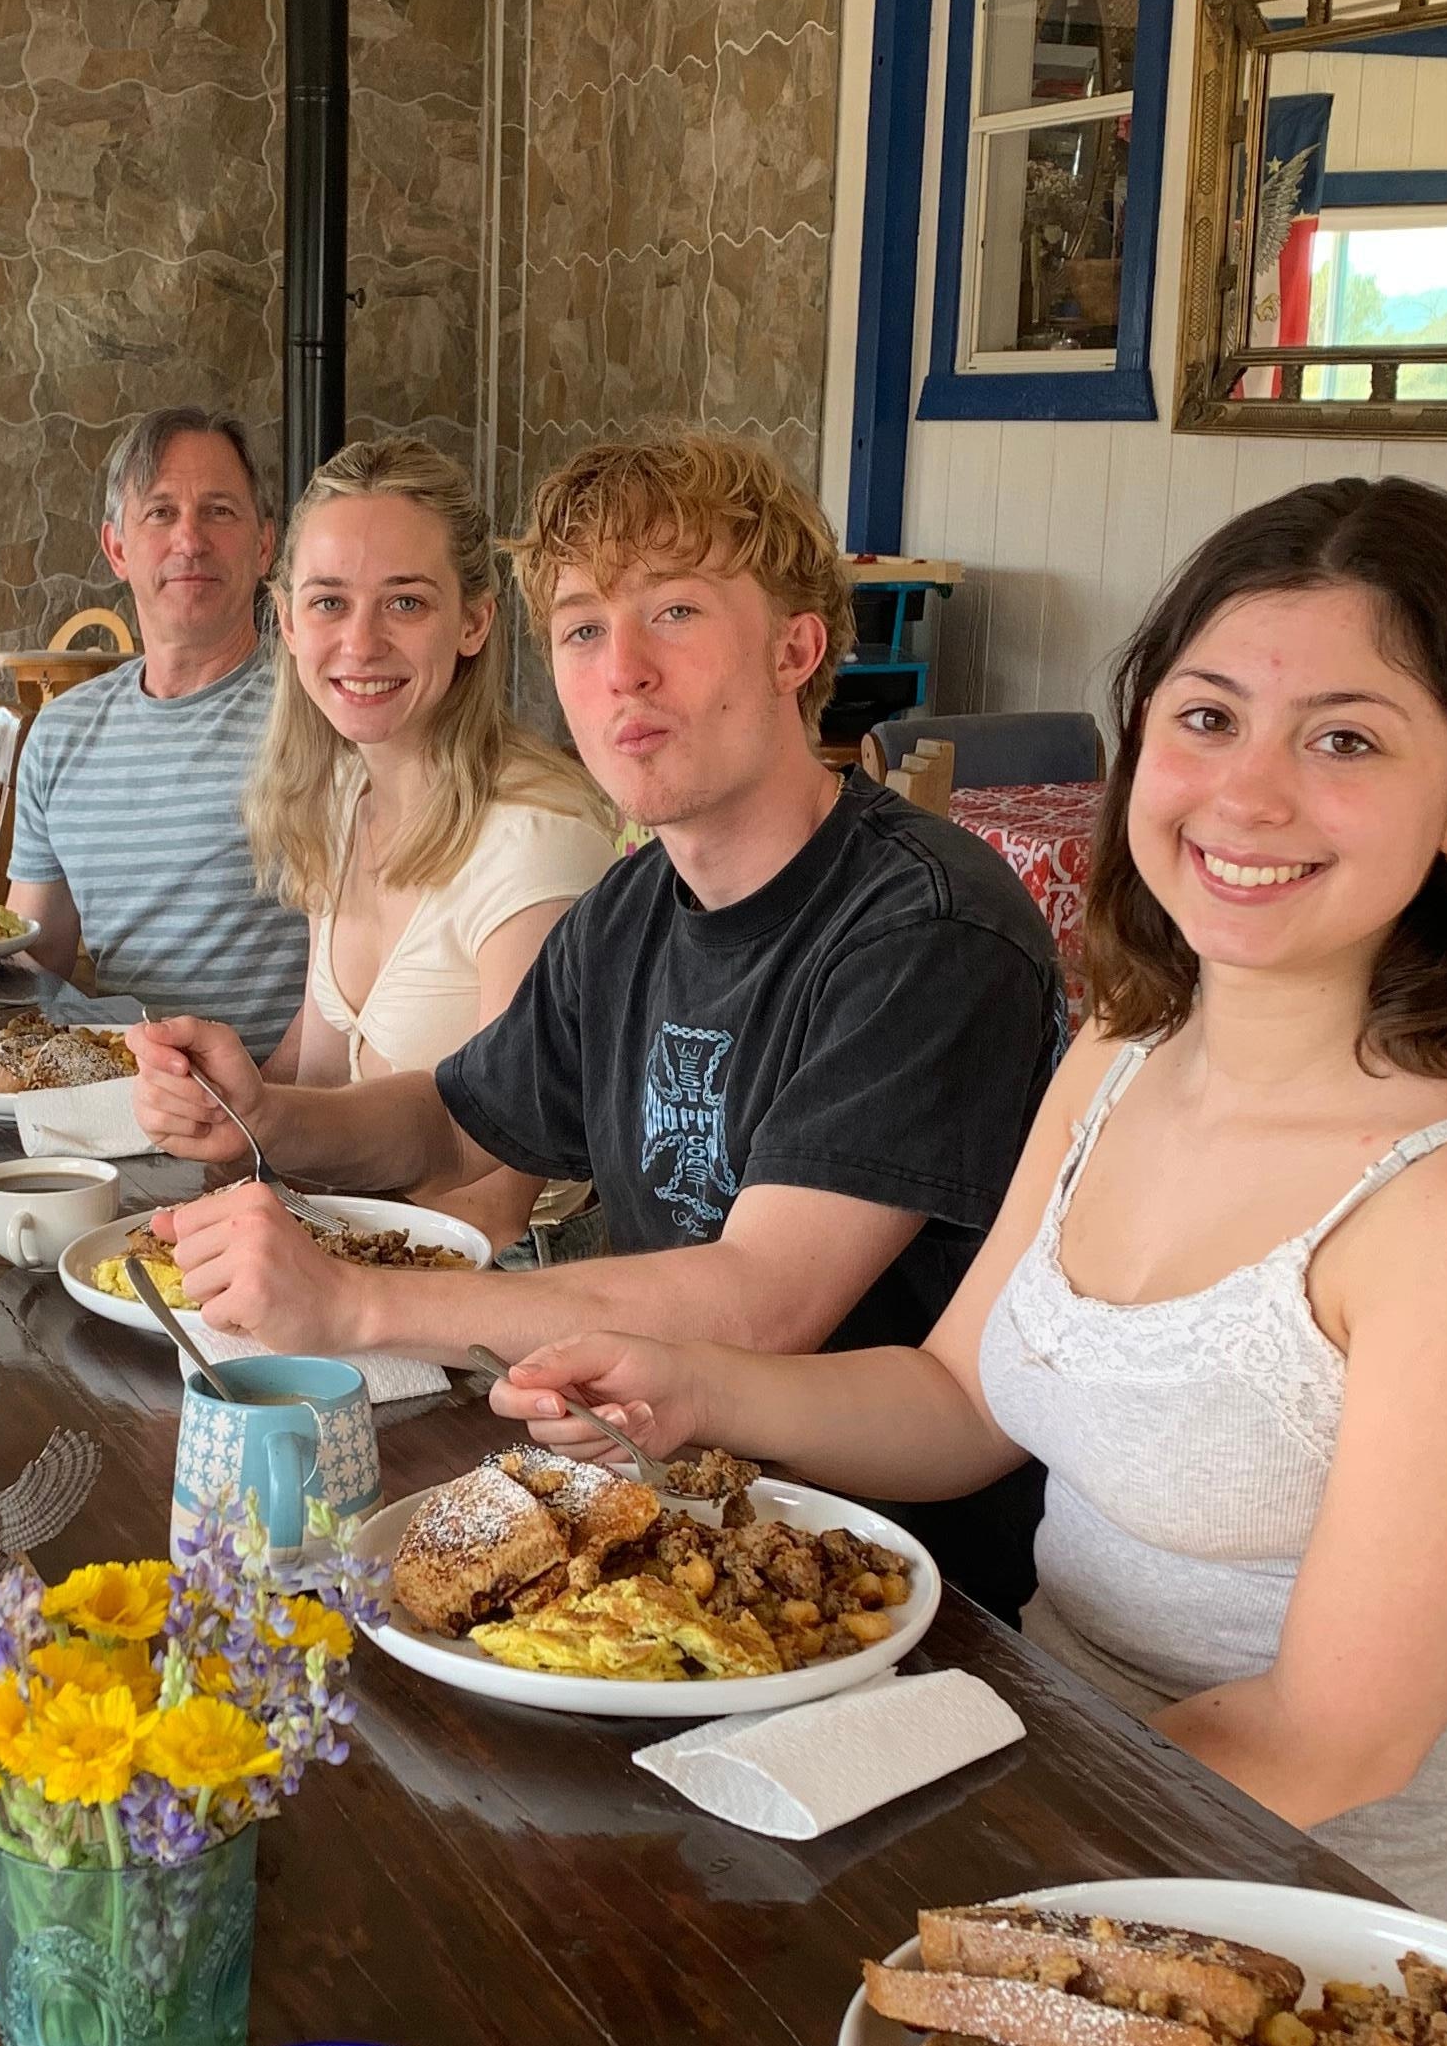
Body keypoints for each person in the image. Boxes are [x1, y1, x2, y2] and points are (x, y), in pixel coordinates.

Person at [494, 475, 1447, 1915]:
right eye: (1206, 719)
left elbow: (1326, 1739)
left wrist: (929, 1822)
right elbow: (962, 1401)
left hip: (1269, 1910)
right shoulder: (1126, 1050)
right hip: (1020, 1780)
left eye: (1345, 738)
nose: (1248, 795)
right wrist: (691, 1390)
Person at [134, 430, 1065, 1609]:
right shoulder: (636, 903)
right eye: (581, 628)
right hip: (652, 1511)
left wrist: (361, 1301)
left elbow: (762, 1300)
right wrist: (269, 1113)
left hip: (888, 1583)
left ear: (798, 646)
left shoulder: (925, 929)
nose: (620, 668)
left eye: (673, 613)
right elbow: (462, 1121)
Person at [239, 432, 614, 1245]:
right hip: (357, 1239)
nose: (361, 642)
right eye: (329, 602)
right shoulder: (343, 789)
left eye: (405, 602)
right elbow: (317, 1067)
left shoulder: (536, 838)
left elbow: (496, 1201)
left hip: (505, 1285)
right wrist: (223, 1120)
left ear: (475, 621)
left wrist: (296, 1266)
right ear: (288, 622)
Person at [4, 408, 311, 1051]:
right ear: (117, 547)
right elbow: (34, 965)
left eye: (220, 511)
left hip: (280, 1117)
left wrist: (260, 1124)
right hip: (115, 1097)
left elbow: (361, 981)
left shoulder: (318, 715)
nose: (190, 540)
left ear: (264, 545)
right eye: (161, 512)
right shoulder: (61, 736)